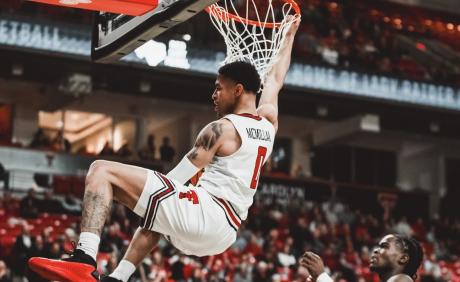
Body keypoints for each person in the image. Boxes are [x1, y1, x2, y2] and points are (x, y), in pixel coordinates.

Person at [28, 17, 300, 282]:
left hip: (206, 215)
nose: (214, 95)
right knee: (161, 210)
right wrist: (288, 38)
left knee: (101, 171)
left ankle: (83, 259)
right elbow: (276, 78)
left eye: (219, 88)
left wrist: (123, 198)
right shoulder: (268, 123)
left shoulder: (221, 129)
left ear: (238, 90)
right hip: (226, 233)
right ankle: (119, 278)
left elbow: (174, 181)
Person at [300, 234, 424, 282]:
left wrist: (322, 275)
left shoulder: (403, 279)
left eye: (384, 246)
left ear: (403, 258)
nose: (376, 250)